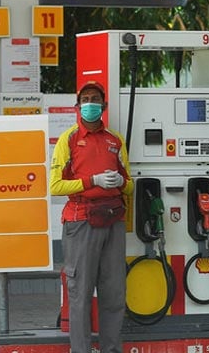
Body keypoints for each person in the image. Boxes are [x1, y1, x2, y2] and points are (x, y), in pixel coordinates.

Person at [49, 82, 133, 353]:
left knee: (114, 294)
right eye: (85, 99)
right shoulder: (69, 139)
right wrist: (91, 181)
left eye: (95, 99)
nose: (90, 103)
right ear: (78, 106)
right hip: (80, 219)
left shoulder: (115, 140)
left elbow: (131, 185)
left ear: (104, 106)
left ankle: (111, 349)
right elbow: (55, 186)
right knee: (80, 294)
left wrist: (121, 181)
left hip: (113, 220)